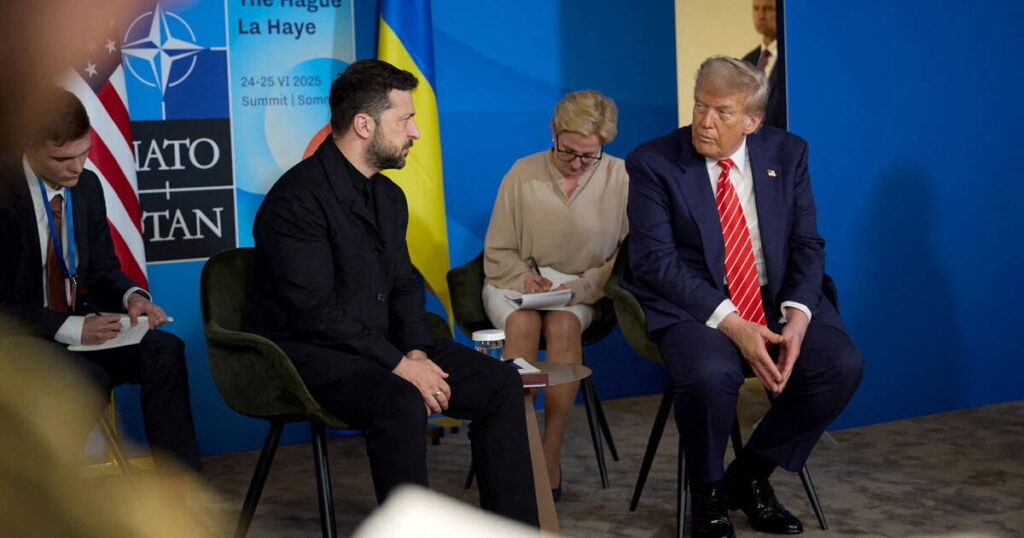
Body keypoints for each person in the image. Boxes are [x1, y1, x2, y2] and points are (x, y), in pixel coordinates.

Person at [245, 59, 538, 526]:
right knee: (400, 398)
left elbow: (403, 285)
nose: (416, 132)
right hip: (311, 354)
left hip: (382, 346)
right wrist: (402, 366)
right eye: (406, 119)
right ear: (364, 125)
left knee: (500, 383)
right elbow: (314, 311)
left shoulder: (388, 195)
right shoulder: (294, 200)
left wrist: (416, 352)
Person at [623, 56, 862, 537]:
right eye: (700, 106)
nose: (705, 122)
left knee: (839, 366)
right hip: (696, 303)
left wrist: (798, 317)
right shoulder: (653, 162)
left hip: (774, 297)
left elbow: (806, 244)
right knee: (710, 375)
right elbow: (655, 262)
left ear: (753, 121)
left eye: (722, 112)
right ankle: (708, 494)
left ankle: (749, 475)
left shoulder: (787, 153)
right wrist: (732, 323)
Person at [0, 90, 201, 474]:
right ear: (30, 145)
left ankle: (179, 488)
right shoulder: (4, 193)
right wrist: (75, 327)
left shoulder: (88, 186)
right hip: (17, 336)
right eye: (63, 159)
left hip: (78, 327)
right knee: (87, 378)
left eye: (85, 152)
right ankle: (47, 495)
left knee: (164, 350)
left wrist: (132, 297)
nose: (78, 167)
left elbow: (102, 268)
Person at [481, 90, 628, 500]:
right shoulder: (522, 172)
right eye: (568, 153)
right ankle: (521, 443)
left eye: (589, 156)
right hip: (514, 284)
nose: (577, 164)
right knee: (523, 323)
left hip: (581, 289)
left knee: (563, 323)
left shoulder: (621, 177)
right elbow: (497, 251)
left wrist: (578, 288)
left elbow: (620, 259)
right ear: (553, 133)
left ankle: (550, 452)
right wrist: (523, 278)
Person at [742, 0, 787, 130]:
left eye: (767, 9)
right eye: (756, 9)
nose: (761, 16)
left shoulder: (791, 58)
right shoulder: (746, 62)